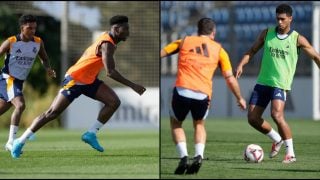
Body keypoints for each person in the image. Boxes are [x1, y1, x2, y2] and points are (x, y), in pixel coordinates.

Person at [11, 15, 146, 158]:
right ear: (117, 29)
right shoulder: (107, 44)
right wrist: (133, 86)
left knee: (113, 102)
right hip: (75, 79)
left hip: (88, 80)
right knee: (52, 113)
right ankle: (20, 141)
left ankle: (91, 134)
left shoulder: (109, 39)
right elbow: (110, 72)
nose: (128, 32)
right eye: (126, 29)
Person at [161, 17, 247, 175]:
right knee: (199, 125)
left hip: (182, 90)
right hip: (203, 94)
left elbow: (162, 53)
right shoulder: (219, 50)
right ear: (213, 32)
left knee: (176, 124)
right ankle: (199, 155)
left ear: (198, 30)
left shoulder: (184, 41)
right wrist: (239, 97)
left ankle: (183, 157)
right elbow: (229, 78)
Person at [236, 4, 320, 164]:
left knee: (276, 114)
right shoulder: (267, 33)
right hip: (262, 82)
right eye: (277, 19)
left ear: (290, 19)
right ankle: (276, 139)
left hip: (280, 84)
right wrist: (241, 64)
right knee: (252, 118)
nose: (280, 22)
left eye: (283, 19)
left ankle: (291, 153)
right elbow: (252, 51)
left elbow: (316, 57)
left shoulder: (297, 39)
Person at [0, 14, 56, 152]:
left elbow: (44, 58)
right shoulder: (11, 41)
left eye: (34, 28)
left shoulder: (38, 42)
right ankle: (11, 142)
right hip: (8, 78)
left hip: (18, 82)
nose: (33, 31)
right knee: (20, 105)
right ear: (22, 28)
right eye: (29, 28)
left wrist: (48, 68)